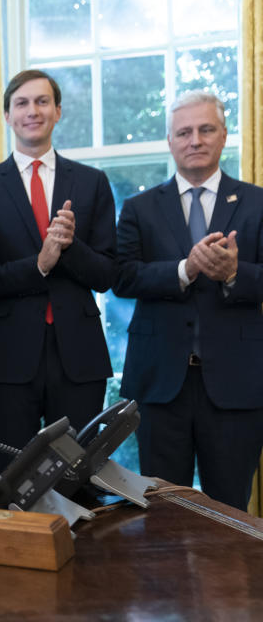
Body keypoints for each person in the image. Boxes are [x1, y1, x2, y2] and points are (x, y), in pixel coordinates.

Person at [113, 90, 263, 511]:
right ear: (170, 141)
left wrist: (235, 273)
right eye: (184, 132)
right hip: (160, 386)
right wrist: (185, 268)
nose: (194, 139)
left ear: (224, 135)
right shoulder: (140, 207)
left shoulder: (257, 202)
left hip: (237, 386)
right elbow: (121, 277)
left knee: (231, 510)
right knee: (162, 511)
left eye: (205, 129)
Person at [0, 69, 117, 473]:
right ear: (8, 116)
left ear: (58, 112)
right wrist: (40, 264)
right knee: (14, 476)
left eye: (42, 101)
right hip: (8, 357)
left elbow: (107, 273)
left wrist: (69, 247)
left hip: (79, 357)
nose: (33, 111)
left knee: (80, 476)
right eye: (22, 103)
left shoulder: (91, 182)